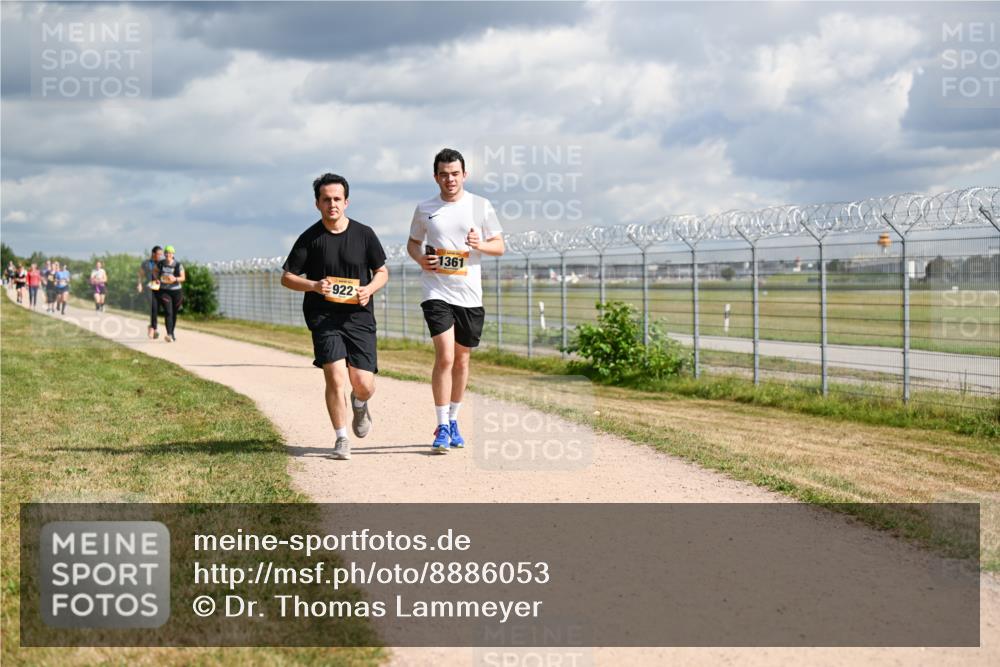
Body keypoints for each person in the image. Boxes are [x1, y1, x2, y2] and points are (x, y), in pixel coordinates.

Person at [281, 173, 389, 462]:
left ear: (346, 202)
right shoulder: (310, 238)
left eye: (337, 199)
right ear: (317, 203)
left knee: (364, 383)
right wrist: (314, 285)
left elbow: (382, 271)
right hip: (324, 316)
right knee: (335, 376)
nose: (332, 204)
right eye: (326, 199)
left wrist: (369, 289)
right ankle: (341, 438)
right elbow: (288, 277)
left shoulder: (364, 234)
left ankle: (359, 402)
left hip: (359, 317)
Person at [407, 148, 505, 454]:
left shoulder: (480, 206)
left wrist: (481, 245)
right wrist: (422, 259)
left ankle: (454, 419)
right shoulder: (425, 208)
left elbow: (500, 246)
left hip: (469, 294)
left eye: (455, 173)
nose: (450, 179)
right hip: (436, 291)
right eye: (443, 174)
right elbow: (412, 243)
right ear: (435, 177)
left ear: (464, 175)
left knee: (462, 360)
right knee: (446, 356)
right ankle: (441, 426)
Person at [154, 246, 184, 342]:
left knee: (174, 313)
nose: (168, 254)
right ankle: (169, 334)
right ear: (164, 254)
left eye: (170, 253)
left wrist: (175, 279)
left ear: (173, 254)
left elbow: (183, 278)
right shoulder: (161, 264)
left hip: (176, 292)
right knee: (168, 312)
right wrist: (157, 279)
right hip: (164, 291)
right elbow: (154, 272)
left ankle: (172, 332)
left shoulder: (178, 265)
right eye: (166, 252)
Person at [137, 246, 163, 338]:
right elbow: (140, 275)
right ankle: (153, 329)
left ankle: (151, 326)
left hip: (159, 287)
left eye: (161, 254)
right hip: (149, 286)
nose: (160, 256)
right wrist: (139, 284)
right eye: (159, 254)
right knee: (153, 307)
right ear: (153, 253)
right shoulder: (146, 263)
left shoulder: (161, 263)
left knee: (156, 308)